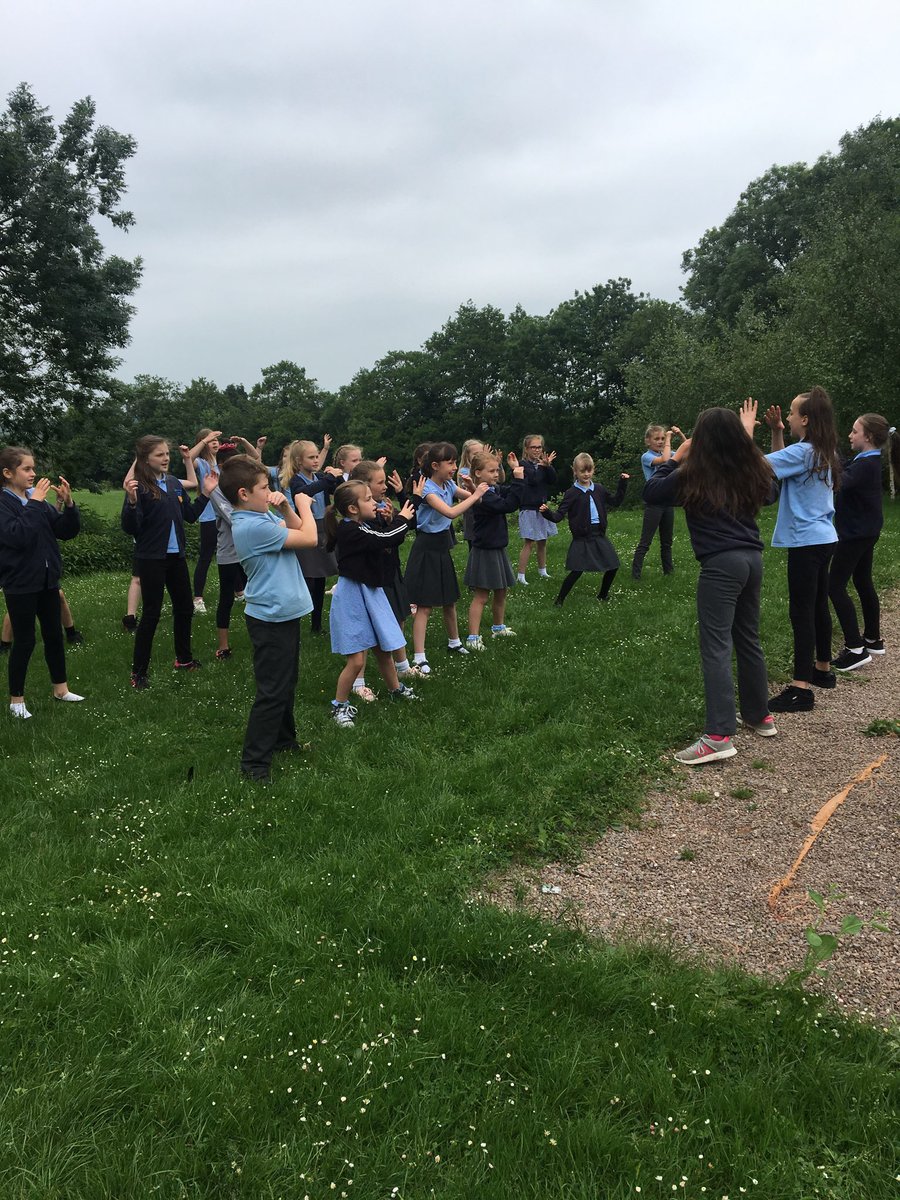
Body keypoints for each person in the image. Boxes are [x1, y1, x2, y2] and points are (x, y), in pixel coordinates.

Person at [645, 407, 779, 764]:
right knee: (748, 638)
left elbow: (652, 491)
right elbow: (773, 491)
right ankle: (759, 715)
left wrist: (675, 457)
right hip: (752, 561)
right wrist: (750, 445)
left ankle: (719, 735)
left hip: (721, 565)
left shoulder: (692, 474)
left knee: (716, 646)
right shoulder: (749, 469)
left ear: (700, 440)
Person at [221, 454, 317, 781]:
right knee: (272, 690)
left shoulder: (261, 517)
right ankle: (254, 765)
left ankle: (283, 741)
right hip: (270, 617)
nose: (269, 492)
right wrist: (304, 502)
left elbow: (294, 527)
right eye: (264, 488)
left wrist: (286, 508)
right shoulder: (250, 526)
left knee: (286, 683)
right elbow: (309, 538)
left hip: (283, 612)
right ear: (244, 494)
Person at [761, 389, 841, 712]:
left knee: (801, 611)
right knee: (819, 605)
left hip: (806, 542)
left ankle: (800, 689)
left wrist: (740, 432)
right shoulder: (823, 450)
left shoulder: (804, 452)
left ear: (805, 420)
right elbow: (782, 468)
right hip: (825, 537)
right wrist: (777, 432)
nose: (789, 417)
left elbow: (763, 466)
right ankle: (822, 669)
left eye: (792, 414)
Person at [324, 479, 420, 727]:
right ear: (353, 508)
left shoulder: (361, 525)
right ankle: (339, 706)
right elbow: (385, 538)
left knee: (383, 651)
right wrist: (403, 518)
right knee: (356, 660)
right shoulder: (351, 530)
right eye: (368, 499)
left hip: (369, 594)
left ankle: (395, 689)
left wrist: (389, 520)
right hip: (354, 598)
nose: (374, 501)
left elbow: (382, 535)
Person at [0, 446, 83, 718]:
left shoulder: (34, 501)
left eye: (33, 468)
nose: (33, 473)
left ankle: (61, 689)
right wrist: (35, 503)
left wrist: (69, 505)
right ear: (7, 473)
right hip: (20, 583)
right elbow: (17, 536)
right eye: (27, 469)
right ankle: (16, 701)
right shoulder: (6, 503)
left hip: (48, 580)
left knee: (54, 637)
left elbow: (65, 531)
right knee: (24, 641)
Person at [121, 435, 206, 689]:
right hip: (151, 559)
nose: (166, 458)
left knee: (184, 608)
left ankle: (184, 659)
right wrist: (133, 503)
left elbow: (190, 516)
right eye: (160, 454)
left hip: (176, 556)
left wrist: (207, 495)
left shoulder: (173, 483)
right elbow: (129, 527)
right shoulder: (139, 487)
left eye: (167, 453)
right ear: (145, 459)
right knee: (151, 614)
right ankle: (138, 673)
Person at [404, 442, 488, 674]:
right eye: (449, 463)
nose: (453, 467)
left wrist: (472, 488)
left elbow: (475, 501)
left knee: (449, 600)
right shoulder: (428, 490)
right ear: (434, 465)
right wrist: (477, 493)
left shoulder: (449, 484)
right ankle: (419, 656)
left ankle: (455, 642)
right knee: (424, 606)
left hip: (441, 547)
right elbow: (451, 512)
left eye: (453, 462)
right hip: (426, 548)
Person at [348, 460, 426, 695]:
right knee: (365, 631)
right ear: (365, 486)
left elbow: (399, 531)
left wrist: (392, 517)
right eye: (380, 482)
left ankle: (402, 667)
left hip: (389, 573)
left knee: (398, 620)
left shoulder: (379, 507)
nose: (384, 487)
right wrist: (412, 501)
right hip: (370, 580)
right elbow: (387, 537)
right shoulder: (359, 518)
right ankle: (358, 683)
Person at [829, 414, 898, 669]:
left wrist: (827, 453)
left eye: (854, 431)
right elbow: (845, 467)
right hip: (866, 531)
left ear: (867, 437)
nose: (850, 435)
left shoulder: (866, 465)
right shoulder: (867, 460)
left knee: (833, 585)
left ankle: (855, 647)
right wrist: (832, 450)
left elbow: (840, 480)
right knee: (861, 580)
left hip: (854, 535)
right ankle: (872, 639)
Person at [541, 453, 628, 606]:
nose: (586, 474)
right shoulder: (571, 493)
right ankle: (559, 601)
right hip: (582, 537)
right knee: (577, 570)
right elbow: (558, 516)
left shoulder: (599, 489)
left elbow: (615, 502)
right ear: (575, 472)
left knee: (613, 566)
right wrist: (547, 512)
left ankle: (603, 595)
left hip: (599, 534)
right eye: (582, 471)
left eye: (589, 470)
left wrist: (623, 483)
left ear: (593, 470)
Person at [463, 450, 524, 649]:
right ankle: (473, 638)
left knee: (501, 591)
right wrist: (518, 479)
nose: (496, 474)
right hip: (485, 550)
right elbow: (508, 505)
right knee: (481, 595)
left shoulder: (493, 489)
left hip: (497, 548)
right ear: (478, 473)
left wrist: (515, 470)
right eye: (491, 471)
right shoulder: (482, 495)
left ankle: (498, 627)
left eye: (497, 470)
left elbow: (512, 493)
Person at [285, 439, 343, 635]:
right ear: (299, 461)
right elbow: (302, 493)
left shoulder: (319, 477)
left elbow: (335, 490)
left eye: (317, 456)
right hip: (306, 529)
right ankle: (294, 619)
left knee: (320, 580)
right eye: (311, 457)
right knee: (308, 577)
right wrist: (326, 480)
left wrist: (336, 478)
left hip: (323, 528)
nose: (316, 460)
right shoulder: (297, 480)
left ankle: (316, 625)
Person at [198, 442, 247, 660]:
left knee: (255, 594)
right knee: (226, 597)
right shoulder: (216, 489)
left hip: (249, 548)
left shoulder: (245, 486)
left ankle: (261, 636)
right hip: (229, 550)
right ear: (221, 466)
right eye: (231, 466)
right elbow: (232, 517)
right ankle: (223, 646)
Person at [631, 424, 683, 579]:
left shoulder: (670, 452)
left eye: (662, 438)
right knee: (645, 541)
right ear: (648, 441)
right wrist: (668, 438)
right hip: (654, 502)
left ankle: (669, 572)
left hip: (667, 501)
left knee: (667, 541)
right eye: (657, 439)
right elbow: (666, 460)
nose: (660, 442)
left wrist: (680, 435)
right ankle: (636, 575)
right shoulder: (646, 456)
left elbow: (688, 451)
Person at [187, 428, 223, 614]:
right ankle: (198, 598)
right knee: (206, 556)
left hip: (225, 517)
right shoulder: (200, 463)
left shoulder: (220, 465)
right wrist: (203, 440)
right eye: (210, 441)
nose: (215, 442)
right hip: (208, 517)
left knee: (232, 554)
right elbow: (187, 458)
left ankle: (240, 591)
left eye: (216, 439)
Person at [514, 434, 557, 584]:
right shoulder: (522, 464)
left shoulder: (542, 464)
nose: (537, 450)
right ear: (526, 449)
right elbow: (533, 480)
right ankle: (521, 575)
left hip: (542, 506)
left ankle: (542, 570)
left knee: (542, 540)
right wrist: (542, 467)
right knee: (529, 541)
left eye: (539, 447)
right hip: (528, 507)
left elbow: (552, 480)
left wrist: (548, 466)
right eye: (533, 447)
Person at [2, 589, 83, 653]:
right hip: (22, 573)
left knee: (59, 595)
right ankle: (5, 646)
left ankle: (71, 634)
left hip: (43, 572)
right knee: (19, 603)